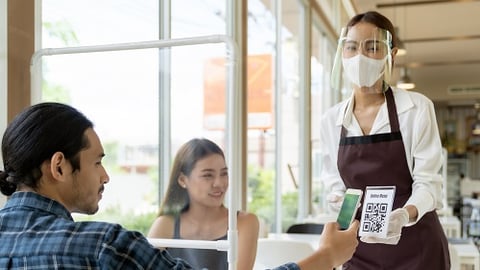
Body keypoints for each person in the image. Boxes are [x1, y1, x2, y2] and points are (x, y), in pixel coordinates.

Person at [0, 102, 359, 270]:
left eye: (224, 172)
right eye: (97, 162)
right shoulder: (105, 247)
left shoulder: (244, 222)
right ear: (60, 166)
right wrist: (327, 256)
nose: (106, 176)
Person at [320, 11, 450, 269]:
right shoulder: (331, 120)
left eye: (372, 47)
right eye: (352, 47)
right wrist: (338, 199)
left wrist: (403, 215)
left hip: (417, 247)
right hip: (357, 248)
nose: (360, 56)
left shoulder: (416, 108)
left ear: (390, 55)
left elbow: (429, 184)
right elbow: (335, 184)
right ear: (342, 55)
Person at [147, 138, 258, 270]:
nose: (219, 183)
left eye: (224, 174)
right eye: (208, 175)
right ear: (183, 180)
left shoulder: (244, 223)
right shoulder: (165, 225)